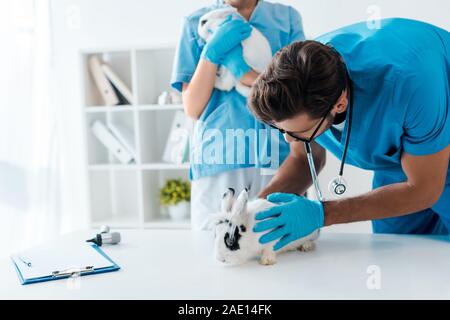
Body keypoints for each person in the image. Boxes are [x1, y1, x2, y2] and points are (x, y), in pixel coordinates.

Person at [248, 18, 450, 251]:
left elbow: (423, 190)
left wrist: (323, 214)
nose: (288, 139)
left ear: (339, 104)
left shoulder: (408, 83)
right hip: (399, 162)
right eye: (282, 130)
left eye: (299, 132)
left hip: (432, 120)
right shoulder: (304, 75)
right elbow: (303, 158)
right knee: (395, 254)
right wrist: (257, 209)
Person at [170, 0, 305, 229]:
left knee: (277, 247)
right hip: (219, 157)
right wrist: (211, 54)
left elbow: (297, 94)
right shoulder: (197, 23)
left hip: (276, 158)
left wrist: (244, 72)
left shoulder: (286, 19)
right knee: (217, 249)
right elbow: (193, 108)